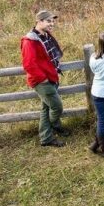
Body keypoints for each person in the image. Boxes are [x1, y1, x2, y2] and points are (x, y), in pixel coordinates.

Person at [21, 9, 70, 147]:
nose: (52, 23)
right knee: (57, 107)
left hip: (51, 76)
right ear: (39, 21)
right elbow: (28, 64)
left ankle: (46, 137)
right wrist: (43, 79)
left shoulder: (46, 36)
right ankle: (55, 125)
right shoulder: (30, 41)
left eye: (53, 21)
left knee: (46, 108)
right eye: (48, 21)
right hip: (42, 81)